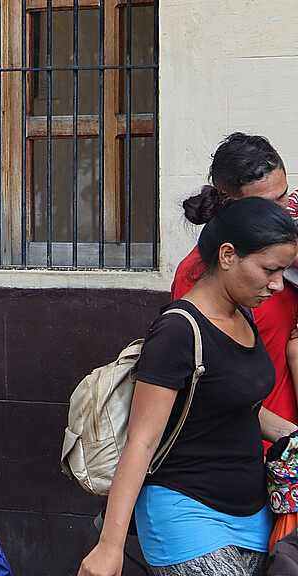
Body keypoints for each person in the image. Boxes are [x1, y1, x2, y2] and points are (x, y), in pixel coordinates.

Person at [78, 197, 298, 576]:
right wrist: (109, 547)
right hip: (184, 513)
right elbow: (141, 441)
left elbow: (236, 403)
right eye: (269, 270)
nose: (278, 284)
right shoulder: (178, 330)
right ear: (228, 255)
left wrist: (291, 434)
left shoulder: (243, 316)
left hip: (253, 513)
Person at [171, 133, 298, 440]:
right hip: (256, 448)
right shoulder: (201, 274)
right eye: (268, 204)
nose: (284, 211)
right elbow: (211, 384)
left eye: (285, 195)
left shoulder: (284, 249)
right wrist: (288, 437)